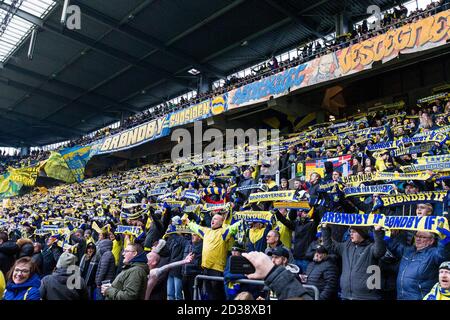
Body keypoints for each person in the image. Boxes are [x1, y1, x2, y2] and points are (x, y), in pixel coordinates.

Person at [185, 213, 242, 300]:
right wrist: (188, 222)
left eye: (215, 219)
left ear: (222, 222)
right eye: (212, 218)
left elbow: (233, 227)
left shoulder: (224, 232)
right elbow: (196, 227)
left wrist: (242, 220)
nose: (212, 220)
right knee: (210, 295)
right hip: (205, 269)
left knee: (217, 296)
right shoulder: (206, 231)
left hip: (217, 270)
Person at [322, 224, 386, 300]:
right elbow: (329, 246)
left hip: (366, 297)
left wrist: (378, 232)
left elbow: (380, 251)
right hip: (346, 296)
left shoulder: (371, 247)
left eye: (354, 232)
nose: (351, 234)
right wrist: (325, 228)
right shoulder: (346, 246)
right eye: (350, 231)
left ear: (362, 233)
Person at [388, 230, 450, 300]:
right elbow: (393, 246)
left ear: (431, 241)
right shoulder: (408, 250)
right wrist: (380, 232)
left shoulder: (433, 254)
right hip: (401, 297)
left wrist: (443, 241)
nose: (418, 239)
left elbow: (442, 254)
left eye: (422, 237)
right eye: (417, 236)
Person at [242, 251, 312, 300]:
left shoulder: (293, 277)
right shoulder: (271, 275)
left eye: (276, 257)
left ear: (284, 260)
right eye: (272, 257)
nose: (272, 260)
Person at [182, 233, 203, 301]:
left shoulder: (202, 246)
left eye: (194, 235)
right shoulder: (188, 244)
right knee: (186, 296)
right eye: (192, 235)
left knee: (194, 296)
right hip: (185, 274)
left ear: (200, 238)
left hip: (194, 275)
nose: (192, 236)